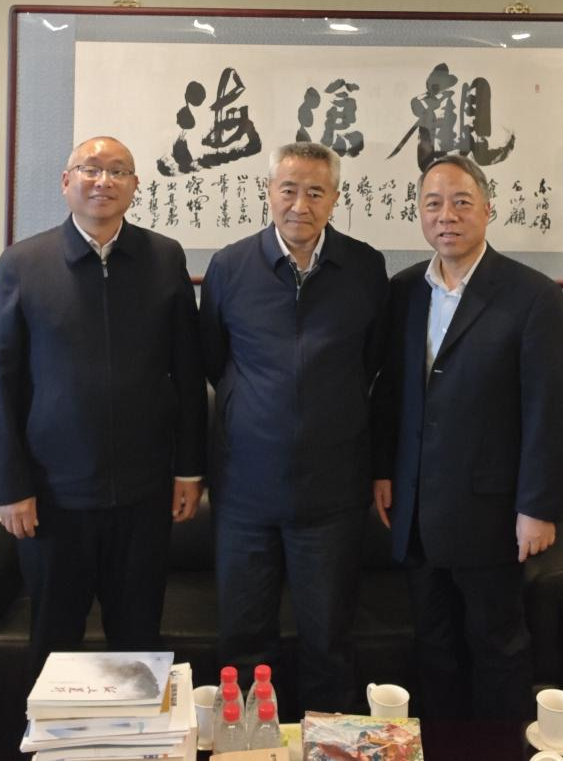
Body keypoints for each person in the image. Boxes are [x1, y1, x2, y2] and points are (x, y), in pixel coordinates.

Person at [0, 135, 206, 676]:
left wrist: (189, 470)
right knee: (54, 642)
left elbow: (188, 372)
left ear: (135, 186)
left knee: (139, 641)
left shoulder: (163, 258)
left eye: (118, 171)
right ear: (66, 182)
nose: (104, 181)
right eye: (90, 169)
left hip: (144, 495)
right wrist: (10, 487)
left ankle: (139, 732)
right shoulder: (23, 263)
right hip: (53, 498)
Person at [372, 154, 563, 720]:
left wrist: (539, 507)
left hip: (491, 510)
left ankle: (499, 746)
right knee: (432, 642)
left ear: (488, 210)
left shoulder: (532, 295)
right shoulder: (403, 291)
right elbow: (391, 392)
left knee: (497, 643)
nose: (447, 215)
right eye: (433, 203)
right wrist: (384, 471)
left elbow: (551, 410)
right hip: (417, 508)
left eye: (461, 202)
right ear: (419, 213)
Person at [200, 141, 388, 715]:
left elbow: (373, 363)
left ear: (335, 198)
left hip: (332, 496)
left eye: (315, 192)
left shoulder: (364, 267)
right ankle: (248, 748)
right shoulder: (230, 267)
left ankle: (325, 747)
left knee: (328, 642)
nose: (299, 205)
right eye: (288, 189)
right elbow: (213, 359)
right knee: (243, 641)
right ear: (268, 192)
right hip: (245, 492)